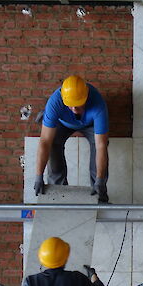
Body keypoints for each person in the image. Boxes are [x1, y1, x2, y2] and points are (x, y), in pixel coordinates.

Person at [34, 75, 110, 203]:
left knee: (99, 148)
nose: (74, 109)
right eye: (70, 105)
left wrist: (100, 180)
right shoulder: (55, 102)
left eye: (78, 105)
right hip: (62, 123)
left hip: (90, 124)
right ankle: (57, 193)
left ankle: (98, 193)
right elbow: (45, 142)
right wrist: (38, 176)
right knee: (52, 144)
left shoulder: (98, 104)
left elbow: (100, 146)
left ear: (86, 98)